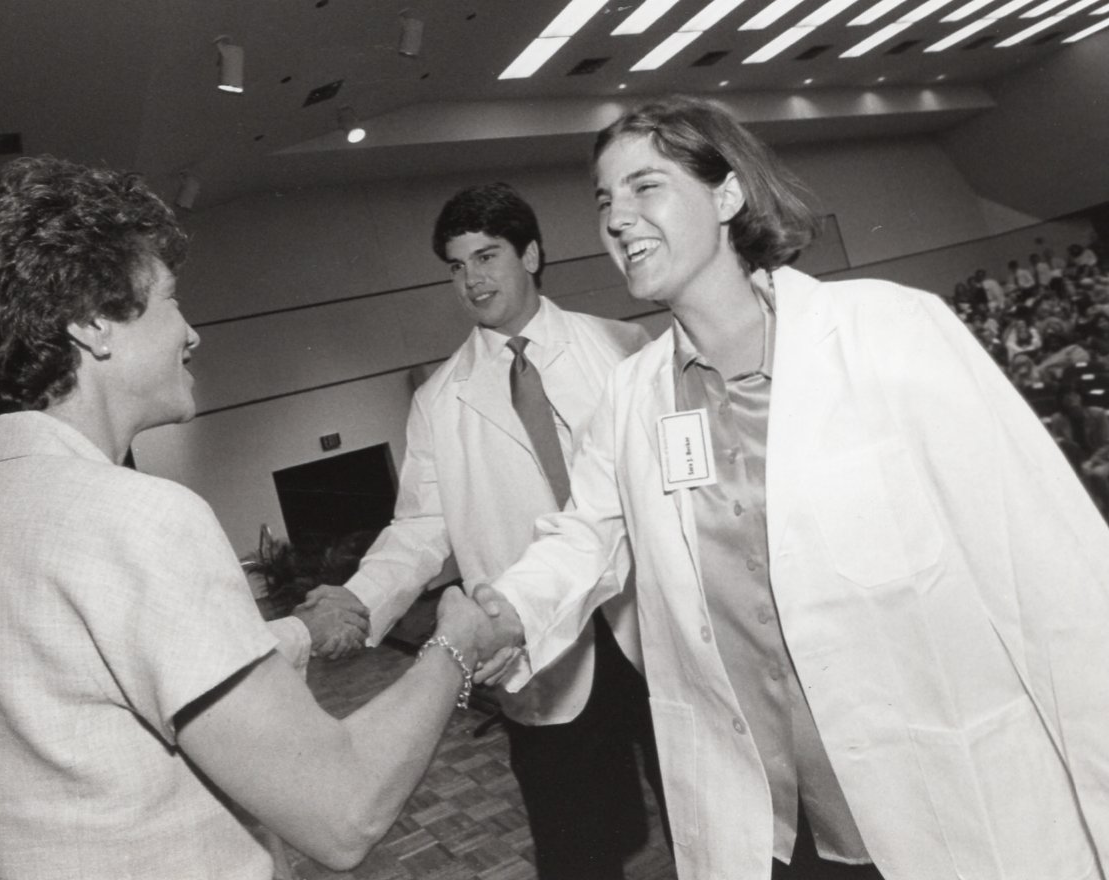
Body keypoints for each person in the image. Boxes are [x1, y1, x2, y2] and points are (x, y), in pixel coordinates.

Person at [474, 96, 1109, 880]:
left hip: (938, 805)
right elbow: (582, 539)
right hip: (771, 831)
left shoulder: (890, 332)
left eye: (646, 187)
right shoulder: (635, 398)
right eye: (605, 200)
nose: (617, 218)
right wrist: (497, 614)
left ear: (728, 195)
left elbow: (1054, 577)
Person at [0, 156, 504, 880]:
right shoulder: (135, 517)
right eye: (169, 300)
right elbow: (344, 813)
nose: (190, 332)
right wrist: (457, 642)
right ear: (94, 324)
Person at [305, 182, 662, 878]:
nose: (471, 278)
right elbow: (419, 527)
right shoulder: (440, 399)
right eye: (456, 264)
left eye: (487, 256)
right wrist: (360, 597)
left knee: (712, 817)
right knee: (580, 855)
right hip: (540, 650)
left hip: (653, 621)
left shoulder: (622, 346)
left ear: (531, 254)